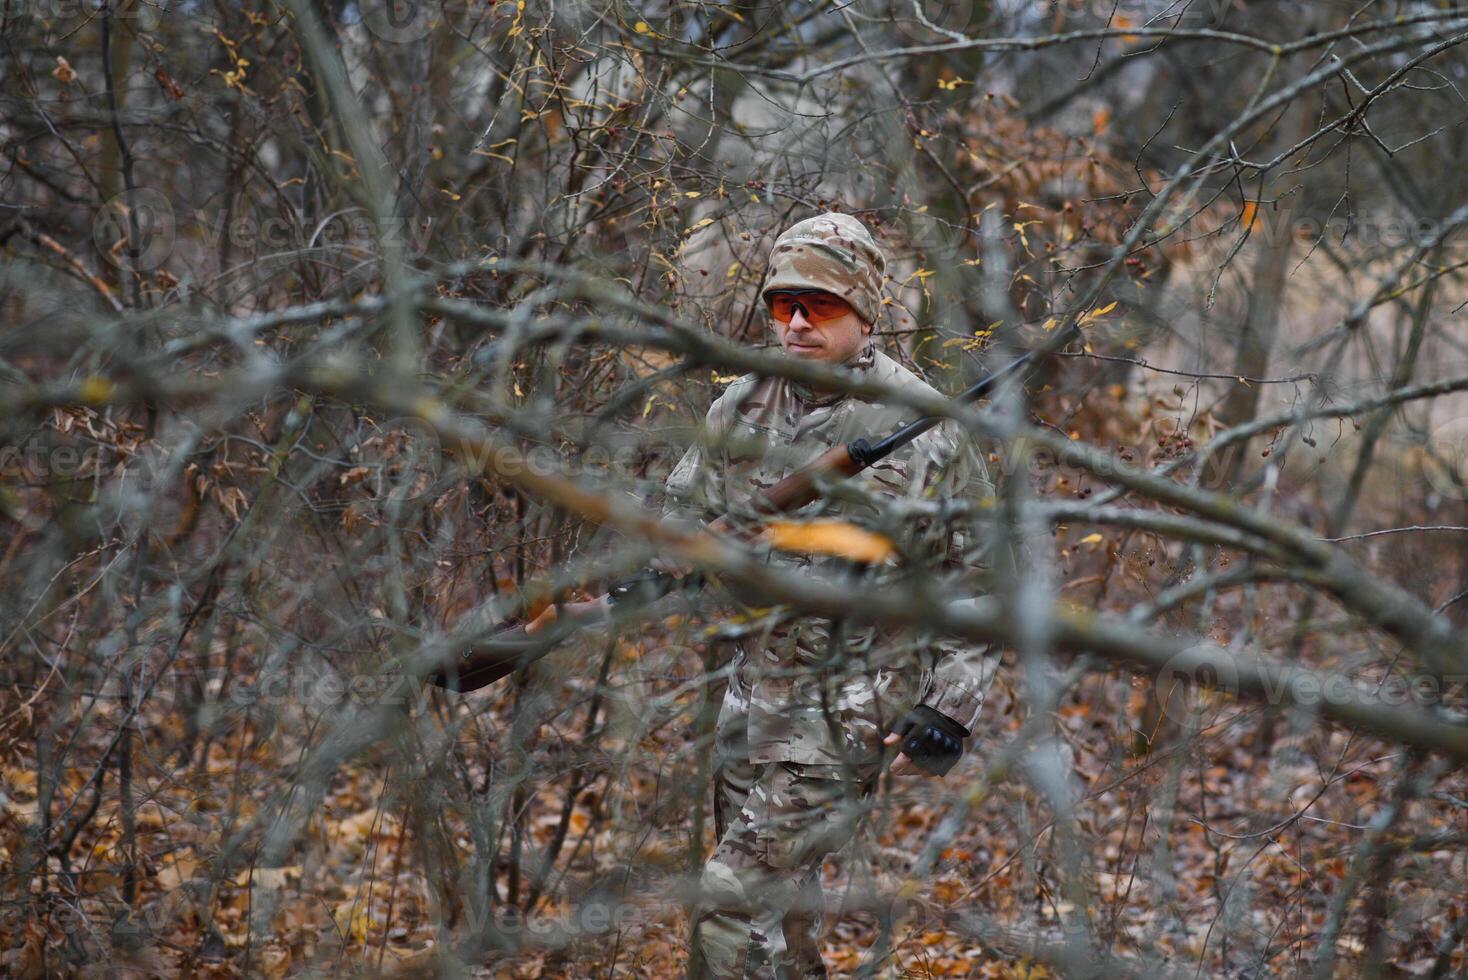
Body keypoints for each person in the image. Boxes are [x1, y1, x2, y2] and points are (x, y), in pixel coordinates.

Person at [660, 212, 1000, 978]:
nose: (799, 323)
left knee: (730, 895)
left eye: (821, 304)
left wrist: (950, 704)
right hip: (754, 694)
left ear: (866, 307)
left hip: (854, 704)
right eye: (784, 306)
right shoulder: (738, 408)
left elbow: (980, 578)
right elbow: (681, 524)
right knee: (774, 918)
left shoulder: (923, 426)